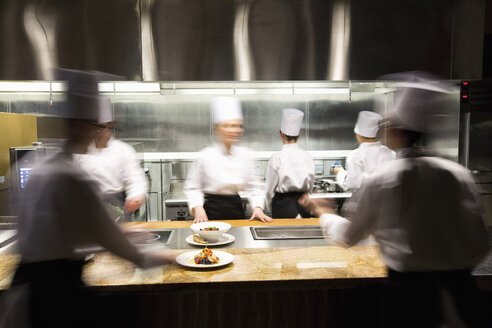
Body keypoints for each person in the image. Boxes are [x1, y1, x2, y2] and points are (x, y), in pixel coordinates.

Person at [299, 76, 489, 327]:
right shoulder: (457, 174)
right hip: (462, 294)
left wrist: (324, 211)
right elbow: (480, 242)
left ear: (398, 130)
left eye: (387, 124)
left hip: (410, 297)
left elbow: (349, 237)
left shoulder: (384, 178)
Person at [0, 70, 173, 328]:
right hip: (56, 295)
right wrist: (161, 257)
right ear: (81, 125)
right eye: (97, 128)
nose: (99, 136)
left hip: (28, 285)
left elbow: (67, 231)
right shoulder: (70, 176)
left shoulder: (39, 164)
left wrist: (120, 231)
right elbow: (113, 242)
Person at [185, 96, 272, 223]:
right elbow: (192, 187)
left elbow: (255, 187)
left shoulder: (246, 155)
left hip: (235, 208)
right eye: (228, 125)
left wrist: (258, 207)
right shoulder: (205, 156)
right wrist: (198, 208)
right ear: (217, 129)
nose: (234, 130)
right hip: (210, 211)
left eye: (238, 126)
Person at [75, 98, 148, 221]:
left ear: (110, 125)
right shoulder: (81, 150)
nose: (98, 132)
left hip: (116, 207)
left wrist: (135, 197)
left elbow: (135, 178)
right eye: (94, 128)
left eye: (101, 127)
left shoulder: (123, 150)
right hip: (87, 208)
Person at [265, 108, 314, 218]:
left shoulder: (276, 158)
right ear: (299, 134)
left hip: (282, 205)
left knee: (284, 235)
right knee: (304, 234)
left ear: (282, 134)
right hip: (303, 204)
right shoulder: (307, 156)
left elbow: (269, 189)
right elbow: (310, 185)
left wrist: (270, 206)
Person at [334, 110, 395, 190]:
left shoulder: (356, 155)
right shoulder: (390, 152)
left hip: (367, 200)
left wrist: (339, 172)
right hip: (387, 199)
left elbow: (352, 184)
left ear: (358, 135)